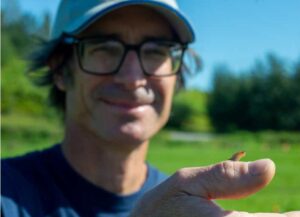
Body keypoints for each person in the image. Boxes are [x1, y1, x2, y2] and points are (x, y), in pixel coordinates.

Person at [1, 0, 299, 216]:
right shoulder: (7, 196)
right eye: (104, 47)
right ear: (60, 70)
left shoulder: (188, 206)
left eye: (156, 51)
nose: (132, 78)